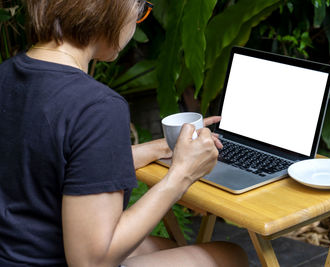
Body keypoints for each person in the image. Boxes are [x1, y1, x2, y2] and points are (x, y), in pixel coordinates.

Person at [0, 0, 249, 266]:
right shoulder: (97, 106)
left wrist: (164, 148)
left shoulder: (7, 74)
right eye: (140, 9)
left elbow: (57, 162)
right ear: (111, 9)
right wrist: (182, 173)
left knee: (167, 247)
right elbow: (90, 262)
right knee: (228, 255)